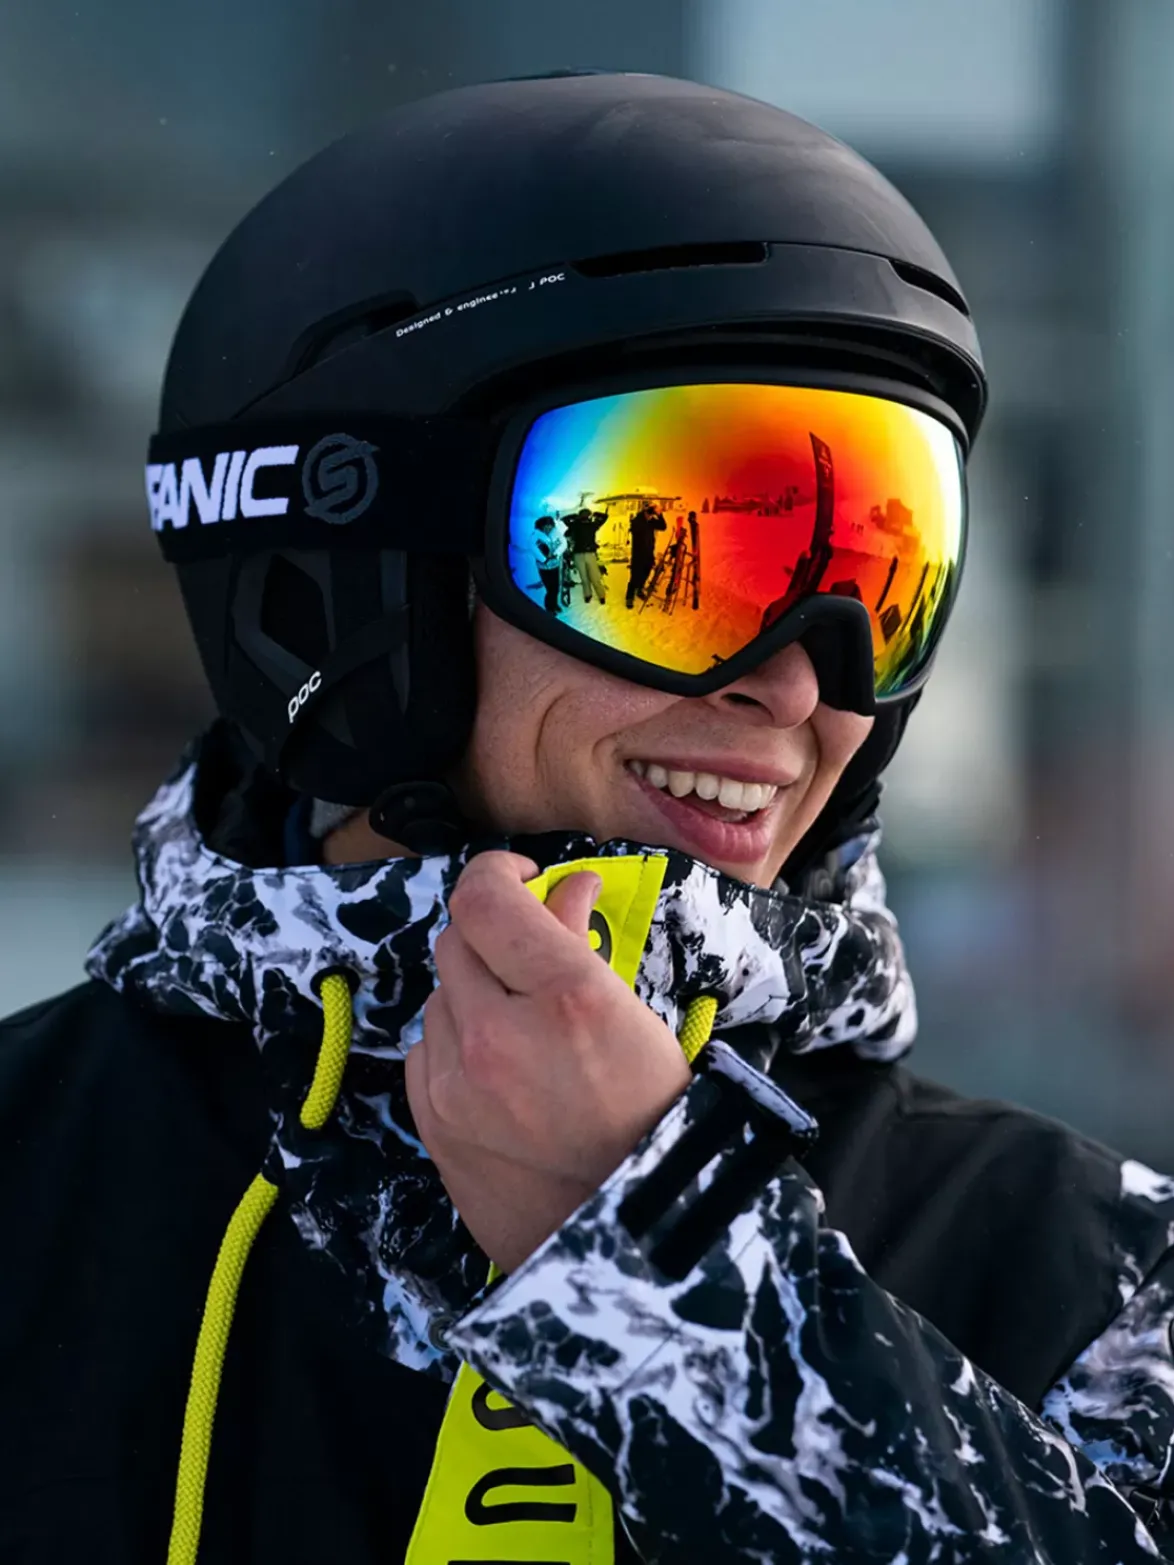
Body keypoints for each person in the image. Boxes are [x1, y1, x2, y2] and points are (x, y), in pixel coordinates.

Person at [2, 70, 1173, 1565]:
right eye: (664, 556)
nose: (797, 682)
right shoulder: (35, 1191)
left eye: (880, 577)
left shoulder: (1091, 1275)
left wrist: (658, 1261)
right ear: (347, 581)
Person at [626, 500, 667, 607]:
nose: (650, 516)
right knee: (635, 576)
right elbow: (636, 528)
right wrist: (646, 515)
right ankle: (629, 597)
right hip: (638, 554)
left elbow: (663, 527)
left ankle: (640, 589)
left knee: (646, 573)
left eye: (651, 514)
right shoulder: (637, 521)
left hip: (649, 553)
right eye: (648, 513)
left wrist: (659, 515)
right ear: (644, 512)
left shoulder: (651, 521)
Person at [567, 505, 608, 603]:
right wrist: (595, 514)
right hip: (579, 555)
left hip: (588, 554)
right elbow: (564, 520)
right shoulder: (576, 525)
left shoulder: (592, 525)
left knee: (594, 577)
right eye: (584, 516)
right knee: (585, 577)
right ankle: (588, 595)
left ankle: (601, 595)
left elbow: (605, 517)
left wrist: (595, 514)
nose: (585, 518)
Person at [532, 513, 564, 612]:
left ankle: (554, 604)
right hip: (544, 568)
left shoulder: (555, 533)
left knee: (556, 587)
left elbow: (563, 543)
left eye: (550, 525)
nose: (548, 528)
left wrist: (557, 553)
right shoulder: (536, 535)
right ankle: (549, 608)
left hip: (555, 565)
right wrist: (544, 559)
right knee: (550, 589)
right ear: (541, 526)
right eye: (546, 525)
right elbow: (533, 548)